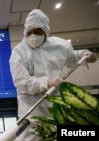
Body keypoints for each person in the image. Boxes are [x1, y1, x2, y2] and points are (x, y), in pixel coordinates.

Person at [9, 9, 97, 141]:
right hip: (32, 110)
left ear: (46, 31)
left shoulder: (59, 45)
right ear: (25, 31)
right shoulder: (19, 53)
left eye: (38, 31)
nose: (33, 36)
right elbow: (22, 83)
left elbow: (72, 56)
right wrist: (47, 82)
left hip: (56, 106)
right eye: (29, 32)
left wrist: (84, 54)